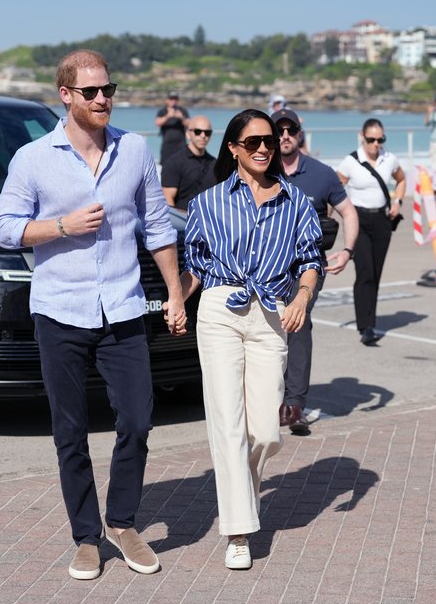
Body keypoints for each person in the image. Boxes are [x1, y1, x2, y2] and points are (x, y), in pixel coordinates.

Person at [0, 49, 186, 581]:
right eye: (91, 92)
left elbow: (158, 226)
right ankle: (85, 536)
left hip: (122, 308)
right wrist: (60, 227)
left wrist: (174, 293)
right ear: (66, 96)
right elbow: (4, 227)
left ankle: (122, 523)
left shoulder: (136, 148)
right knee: (70, 431)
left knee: (139, 419)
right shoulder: (33, 159)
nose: (103, 99)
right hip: (60, 311)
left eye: (108, 90)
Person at [168, 108, 322, 570]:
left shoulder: (296, 202)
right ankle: (238, 531)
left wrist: (302, 297)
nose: (262, 148)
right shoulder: (206, 204)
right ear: (233, 148)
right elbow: (194, 264)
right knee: (228, 424)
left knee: (265, 431)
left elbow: (311, 259)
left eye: (269, 141)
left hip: (272, 315)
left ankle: (241, 498)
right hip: (219, 310)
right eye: (252, 141)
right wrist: (178, 300)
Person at [271, 108, 359, 434]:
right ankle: (272, 398)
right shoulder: (261, 168)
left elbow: (348, 213)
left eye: (290, 129)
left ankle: (294, 405)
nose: (284, 136)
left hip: (308, 267)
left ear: (299, 133)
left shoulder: (322, 174)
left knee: (297, 322)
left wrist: (347, 251)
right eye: (277, 130)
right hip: (266, 267)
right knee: (268, 328)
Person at [336, 118, 406, 346]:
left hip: (382, 220)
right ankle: (365, 326)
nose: (376, 144)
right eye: (371, 139)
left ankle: (370, 321)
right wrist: (331, 216)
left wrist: (398, 202)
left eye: (380, 139)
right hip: (359, 220)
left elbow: (401, 179)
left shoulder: (390, 159)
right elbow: (335, 190)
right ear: (362, 137)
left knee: (375, 273)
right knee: (364, 271)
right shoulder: (351, 162)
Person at [160, 115, 216, 210]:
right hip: (183, 221)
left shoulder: (214, 163)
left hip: (210, 221)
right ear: (188, 134)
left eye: (207, 132)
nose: (203, 136)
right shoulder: (173, 163)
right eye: (197, 132)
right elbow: (168, 199)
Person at [154, 91, 189, 164]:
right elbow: (157, 123)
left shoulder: (182, 111)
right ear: (167, 100)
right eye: (171, 99)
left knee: (182, 165)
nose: (173, 101)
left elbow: (190, 124)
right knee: (166, 166)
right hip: (167, 145)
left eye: (175, 99)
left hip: (181, 145)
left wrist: (181, 117)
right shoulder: (162, 111)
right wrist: (168, 116)